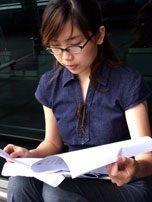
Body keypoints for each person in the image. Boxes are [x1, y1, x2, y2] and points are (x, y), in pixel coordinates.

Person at [3, 0, 152, 201]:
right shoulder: (50, 84)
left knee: (57, 192)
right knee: (20, 182)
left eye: (74, 45)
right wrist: (29, 155)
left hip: (123, 183)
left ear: (99, 35)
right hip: (76, 175)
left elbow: (147, 158)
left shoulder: (127, 82)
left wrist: (133, 167)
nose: (65, 57)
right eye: (55, 47)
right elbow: (52, 143)